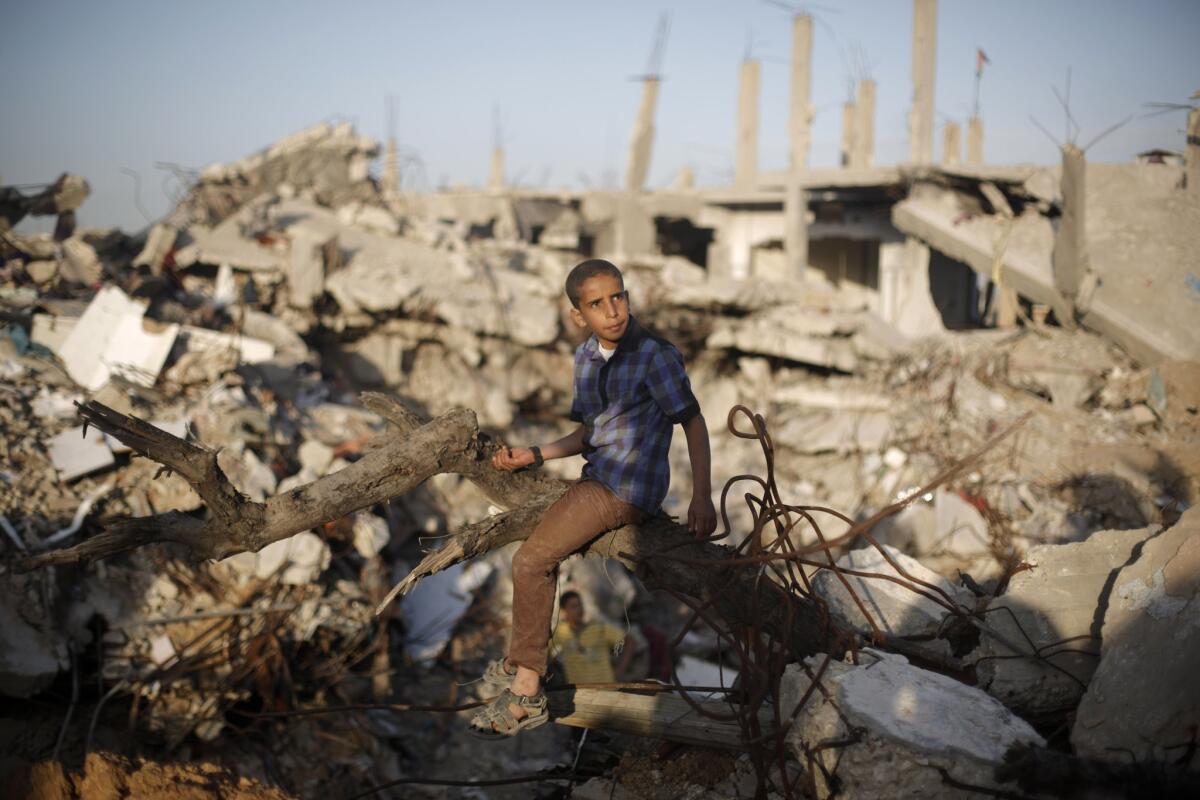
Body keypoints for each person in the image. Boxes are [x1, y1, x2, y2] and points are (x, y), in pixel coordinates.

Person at [469, 258, 717, 738]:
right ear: (578, 314)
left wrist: (702, 497)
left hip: (627, 487)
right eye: (598, 303)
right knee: (537, 547)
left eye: (619, 296)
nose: (613, 311)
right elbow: (589, 433)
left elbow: (694, 421)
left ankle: (525, 690)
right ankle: (525, 658)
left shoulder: (655, 355)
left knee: (530, 561)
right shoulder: (585, 357)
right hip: (595, 476)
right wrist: (537, 453)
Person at [550, 590, 633, 685]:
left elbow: (629, 641)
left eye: (580, 605)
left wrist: (621, 669)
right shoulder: (560, 632)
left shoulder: (598, 628)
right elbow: (543, 650)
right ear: (564, 611)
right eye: (574, 606)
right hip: (578, 693)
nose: (579, 609)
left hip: (606, 688)